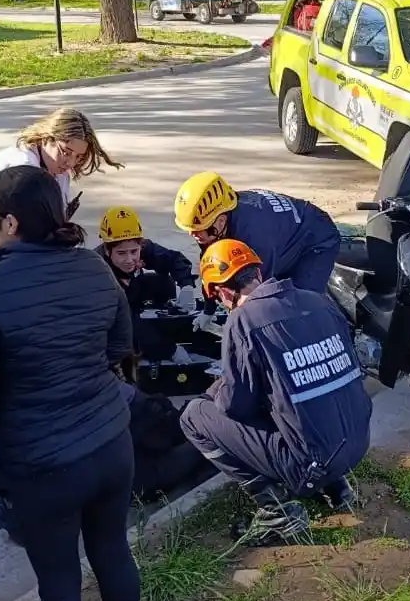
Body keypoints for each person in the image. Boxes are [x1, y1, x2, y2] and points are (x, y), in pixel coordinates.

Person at [0, 165, 140, 601]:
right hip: (111, 443)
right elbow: (119, 346)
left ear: (10, 223)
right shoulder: (94, 265)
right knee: (112, 553)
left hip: (43, 463)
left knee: (58, 575)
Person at [180, 240, 373, 543]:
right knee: (305, 392)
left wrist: (218, 391)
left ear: (224, 292)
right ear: (257, 271)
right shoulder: (319, 301)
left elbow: (236, 408)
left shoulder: (242, 320)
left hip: (311, 465)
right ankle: (336, 486)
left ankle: (277, 510)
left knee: (195, 417)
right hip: (356, 444)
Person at [0, 107, 122, 312]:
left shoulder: (59, 174)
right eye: (65, 152)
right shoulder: (20, 168)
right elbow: (18, 235)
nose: (69, 163)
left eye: (78, 157)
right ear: (46, 137)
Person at [174, 172, 340, 329]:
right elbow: (212, 267)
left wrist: (238, 334)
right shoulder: (210, 225)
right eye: (191, 229)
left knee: (300, 308)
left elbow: (258, 297)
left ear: (221, 220)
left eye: (198, 230)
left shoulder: (254, 236)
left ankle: (327, 331)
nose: (192, 234)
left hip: (316, 239)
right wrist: (208, 310)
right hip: (283, 237)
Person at [96, 205, 198, 362]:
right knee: (131, 330)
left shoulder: (144, 248)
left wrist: (187, 286)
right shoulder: (98, 269)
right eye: (121, 253)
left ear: (140, 245)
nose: (129, 260)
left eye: (133, 252)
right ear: (107, 250)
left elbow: (174, 259)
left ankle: (162, 324)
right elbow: (128, 323)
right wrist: (169, 351)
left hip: (133, 292)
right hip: (111, 315)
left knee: (164, 283)